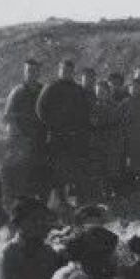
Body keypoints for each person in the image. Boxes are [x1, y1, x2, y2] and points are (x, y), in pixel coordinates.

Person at [36, 59, 91, 206]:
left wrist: (79, 128)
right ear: (59, 71)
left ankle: (77, 201)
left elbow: (84, 111)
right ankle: (60, 202)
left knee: (74, 169)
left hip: (74, 137)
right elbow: (40, 109)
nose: (67, 73)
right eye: (64, 70)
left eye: (69, 71)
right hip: (57, 136)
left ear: (73, 73)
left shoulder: (77, 90)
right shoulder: (51, 87)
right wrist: (54, 125)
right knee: (58, 170)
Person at [1, 58, 50, 203]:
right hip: (22, 140)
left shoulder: (43, 90)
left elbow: (50, 113)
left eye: (35, 71)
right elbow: (7, 117)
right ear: (24, 72)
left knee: (41, 174)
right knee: (22, 175)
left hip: (40, 139)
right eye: (29, 71)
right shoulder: (17, 92)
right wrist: (18, 136)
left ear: (39, 72)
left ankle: (41, 205)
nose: (32, 73)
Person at [90, 80, 125, 197]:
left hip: (112, 142)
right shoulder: (94, 107)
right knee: (100, 170)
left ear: (108, 92)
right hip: (98, 142)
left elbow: (119, 123)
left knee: (113, 169)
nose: (100, 94)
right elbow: (93, 123)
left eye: (102, 92)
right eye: (98, 92)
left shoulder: (115, 106)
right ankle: (104, 193)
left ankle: (114, 192)